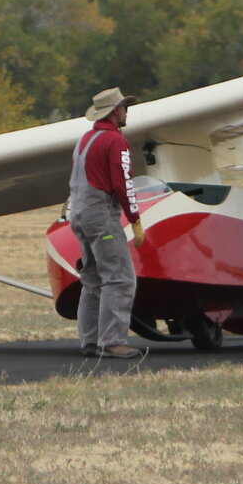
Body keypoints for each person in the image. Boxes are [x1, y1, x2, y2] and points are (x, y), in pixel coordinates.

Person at [69, 87, 148, 360]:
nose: (127, 112)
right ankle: (113, 341)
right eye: (125, 107)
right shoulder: (116, 141)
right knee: (119, 279)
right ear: (116, 112)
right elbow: (122, 183)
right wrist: (135, 219)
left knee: (91, 280)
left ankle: (89, 341)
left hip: (78, 214)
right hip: (101, 217)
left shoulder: (85, 139)